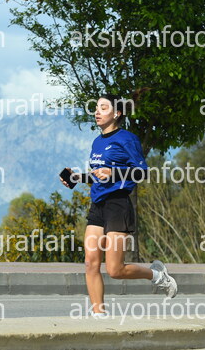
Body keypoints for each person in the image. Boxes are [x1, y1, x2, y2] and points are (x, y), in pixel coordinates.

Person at [60, 94, 177, 317]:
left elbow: (141, 172)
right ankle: (99, 315)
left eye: (103, 108)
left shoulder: (127, 139)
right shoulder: (97, 142)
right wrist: (76, 178)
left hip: (118, 205)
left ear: (116, 113)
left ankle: (156, 275)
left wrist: (114, 172)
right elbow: (99, 176)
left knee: (115, 270)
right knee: (90, 263)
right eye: (96, 108)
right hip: (97, 205)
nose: (97, 112)